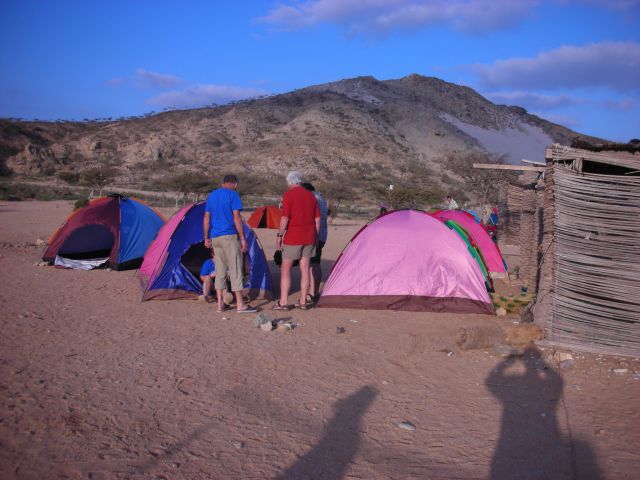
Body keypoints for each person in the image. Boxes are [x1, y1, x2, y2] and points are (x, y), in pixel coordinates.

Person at [203, 174, 257, 314]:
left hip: (216, 238)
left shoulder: (212, 196)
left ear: (222, 182)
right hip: (229, 237)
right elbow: (236, 218)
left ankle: (220, 304)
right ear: (235, 184)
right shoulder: (233, 195)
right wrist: (243, 238)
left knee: (220, 271)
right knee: (236, 269)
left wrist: (206, 237)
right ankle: (240, 304)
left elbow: (206, 218)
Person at [273, 171, 320, 311]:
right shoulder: (311, 196)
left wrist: (280, 235)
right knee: (305, 269)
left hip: (293, 237)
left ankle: (283, 302)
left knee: (285, 268)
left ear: (290, 182)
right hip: (310, 237)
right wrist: (315, 237)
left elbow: (285, 218)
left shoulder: (288, 195)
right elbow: (317, 219)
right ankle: (303, 301)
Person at [302, 182, 328, 303]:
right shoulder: (321, 198)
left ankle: (311, 293)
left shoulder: (312, 198)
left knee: (310, 265)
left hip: (314, 235)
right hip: (322, 235)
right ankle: (315, 291)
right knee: (316, 263)